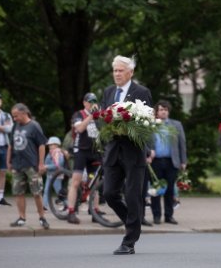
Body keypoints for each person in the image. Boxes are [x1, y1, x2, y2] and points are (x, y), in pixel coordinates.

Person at [100, 55, 153, 255]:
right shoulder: (108, 92)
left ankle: (129, 241)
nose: (117, 74)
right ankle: (134, 222)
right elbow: (102, 120)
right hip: (113, 151)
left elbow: (147, 121)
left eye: (121, 70)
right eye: (115, 70)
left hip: (133, 152)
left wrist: (128, 128)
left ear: (130, 72)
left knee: (133, 196)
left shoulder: (141, 92)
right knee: (109, 194)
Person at [6, 103, 50, 229]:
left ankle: (42, 218)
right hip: (17, 165)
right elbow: (11, 145)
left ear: (24, 113)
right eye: (13, 116)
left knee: (36, 193)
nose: (15, 119)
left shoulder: (34, 126)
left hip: (32, 165)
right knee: (18, 192)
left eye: (16, 116)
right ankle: (21, 218)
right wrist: (8, 161)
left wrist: (41, 163)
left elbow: (42, 145)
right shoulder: (15, 126)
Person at [148, 100, 187, 225]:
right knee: (156, 189)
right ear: (157, 112)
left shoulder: (176, 125)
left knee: (170, 190)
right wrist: (148, 154)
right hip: (155, 161)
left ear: (168, 111)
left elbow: (182, 143)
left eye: (165, 110)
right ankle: (156, 215)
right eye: (161, 110)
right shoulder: (150, 124)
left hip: (171, 161)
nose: (163, 112)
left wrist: (183, 161)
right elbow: (146, 142)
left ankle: (169, 216)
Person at [66, 92, 102, 224]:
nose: (92, 104)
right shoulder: (79, 115)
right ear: (84, 103)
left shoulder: (99, 117)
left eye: (94, 101)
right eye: (90, 101)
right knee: (76, 182)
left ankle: (95, 212)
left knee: (95, 184)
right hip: (81, 150)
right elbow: (80, 129)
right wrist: (91, 116)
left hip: (94, 152)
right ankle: (70, 211)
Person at [0, 92, 14, 206]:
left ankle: (0, 198)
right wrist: (3, 128)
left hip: (4, 146)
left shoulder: (6, 115)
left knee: (3, 172)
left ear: (1, 102)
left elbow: (11, 129)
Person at [42, 136, 66, 210]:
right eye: (49, 145)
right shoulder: (50, 153)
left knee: (59, 192)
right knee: (46, 190)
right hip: (50, 175)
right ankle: (44, 206)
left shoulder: (58, 153)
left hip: (56, 176)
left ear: (56, 145)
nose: (49, 146)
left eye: (51, 144)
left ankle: (68, 204)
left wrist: (47, 167)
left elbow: (58, 164)